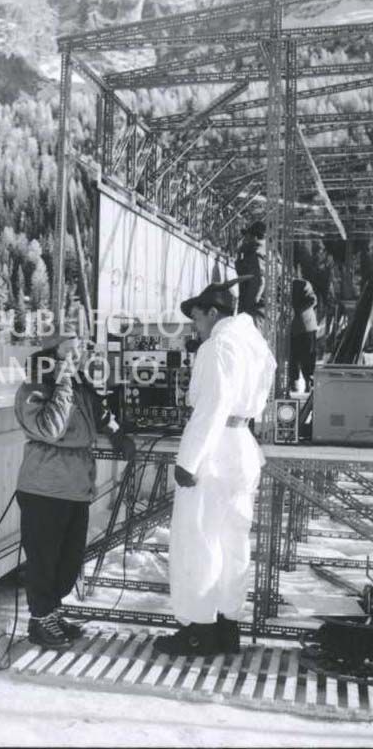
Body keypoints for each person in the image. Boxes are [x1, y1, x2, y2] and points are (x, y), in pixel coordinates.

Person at [153, 277, 276, 657]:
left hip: (214, 451)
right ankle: (227, 627)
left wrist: (187, 460)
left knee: (198, 541)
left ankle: (198, 631)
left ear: (213, 312)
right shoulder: (254, 343)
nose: (195, 326)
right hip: (241, 447)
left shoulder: (218, 345)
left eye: (197, 317)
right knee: (232, 541)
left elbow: (212, 406)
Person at [14, 330, 133, 650]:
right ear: (54, 356)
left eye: (80, 351)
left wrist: (118, 434)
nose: (80, 356)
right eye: (72, 351)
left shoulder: (79, 387)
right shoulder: (34, 389)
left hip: (75, 486)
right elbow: (51, 427)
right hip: (45, 486)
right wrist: (64, 381)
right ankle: (40, 620)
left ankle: (52, 611)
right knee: (44, 560)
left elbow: (101, 414)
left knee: (68, 562)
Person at [290, 263, 318, 393]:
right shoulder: (286, 284)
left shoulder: (302, 284)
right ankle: (297, 382)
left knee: (305, 356)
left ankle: (308, 382)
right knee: (295, 356)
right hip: (297, 327)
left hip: (305, 326)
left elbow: (312, 300)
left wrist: (296, 311)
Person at [234, 220, 266, 330]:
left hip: (254, 309)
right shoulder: (264, 252)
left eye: (247, 236)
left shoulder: (256, 254)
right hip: (261, 307)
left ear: (255, 237)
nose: (245, 239)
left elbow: (259, 281)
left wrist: (248, 307)